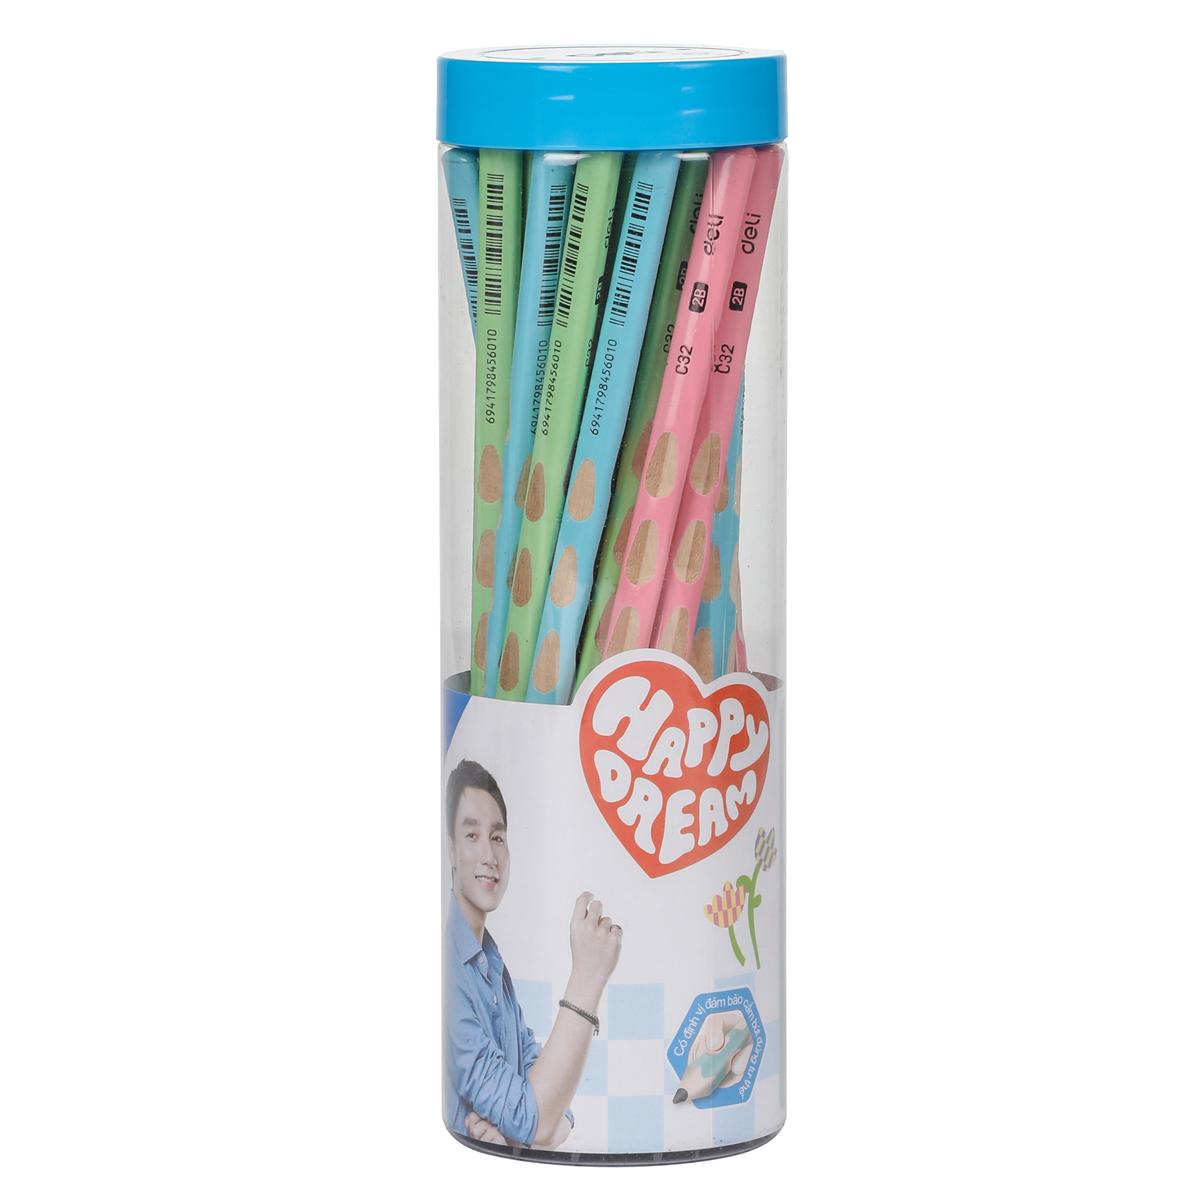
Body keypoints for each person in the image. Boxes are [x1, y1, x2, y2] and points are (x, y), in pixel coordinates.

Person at [443, 759, 623, 1148]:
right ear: (451, 850)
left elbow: (553, 1106)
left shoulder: (491, 964)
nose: (489, 855)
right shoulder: (449, 973)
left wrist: (526, 1130)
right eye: (472, 835)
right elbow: (537, 1118)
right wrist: (588, 976)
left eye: (497, 836)